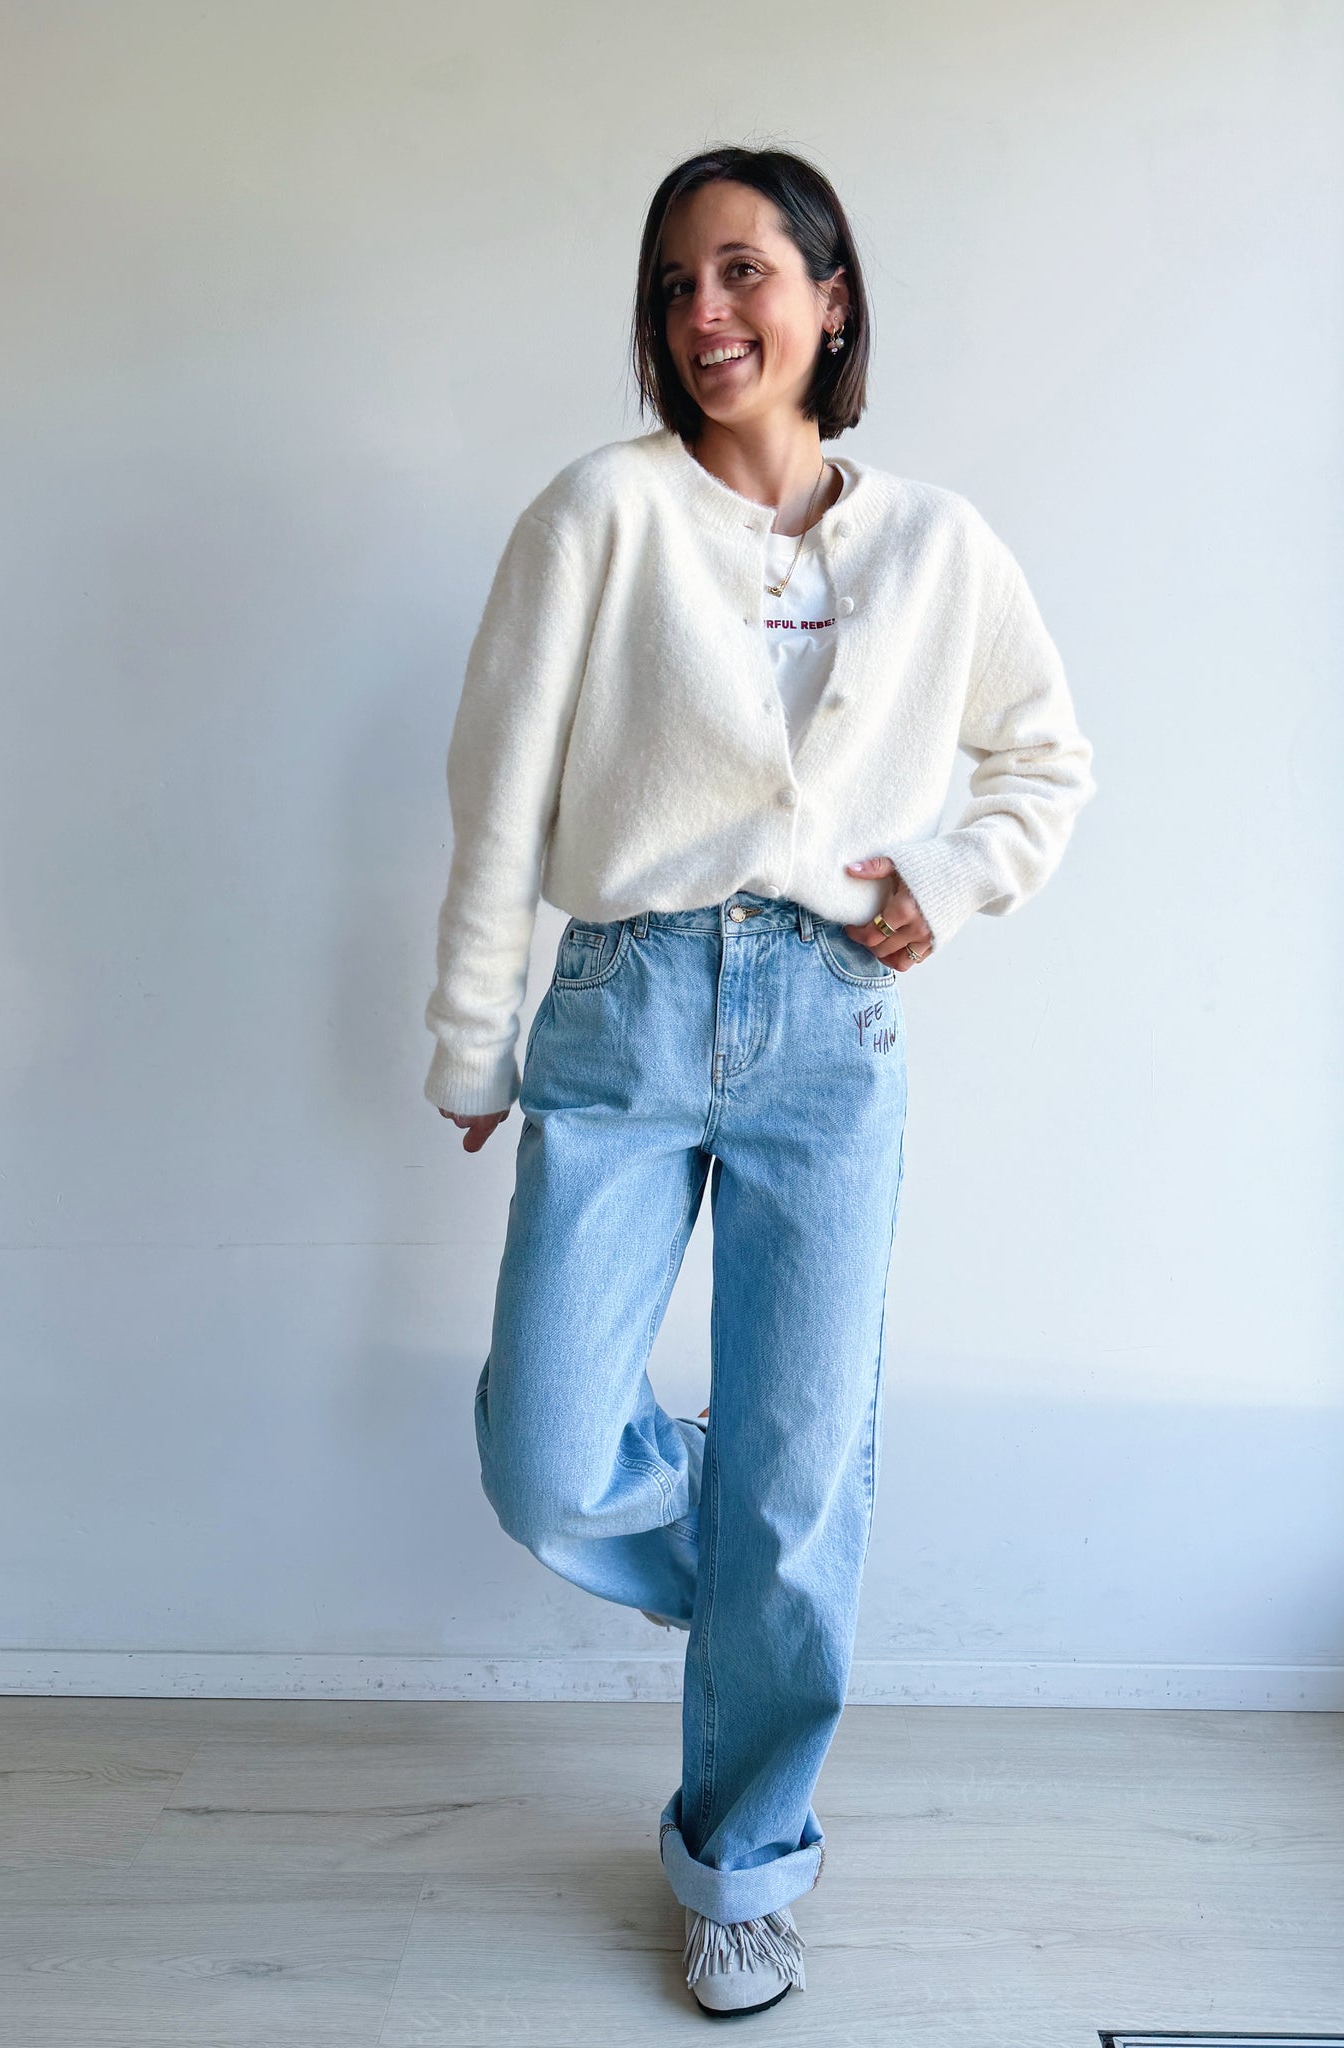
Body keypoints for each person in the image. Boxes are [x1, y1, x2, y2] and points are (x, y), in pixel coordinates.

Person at [423, 144, 1097, 2019]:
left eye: (741, 272)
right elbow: (496, 800)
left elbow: (1046, 762)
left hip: (828, 1022)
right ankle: (770, 1546)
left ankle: (743, 1864)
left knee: (806, 1486)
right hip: (621, 1008)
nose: (703, 314)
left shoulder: (938, 544)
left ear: (829, 295)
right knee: (552, 1458)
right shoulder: (596, 514)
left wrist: (943, 879)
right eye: (673, 285)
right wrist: (473, 1035)